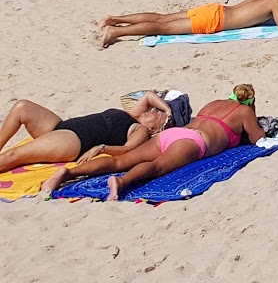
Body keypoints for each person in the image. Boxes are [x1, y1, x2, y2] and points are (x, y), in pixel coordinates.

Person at [40, 86, 264, 201]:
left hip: (174, 133)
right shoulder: (244, 111)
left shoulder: (214, 103)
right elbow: (258, 140)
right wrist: (253, 116)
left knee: (120, 161)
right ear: (249, 101)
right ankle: (122, 183)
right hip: (193, 141)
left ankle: (67, 174)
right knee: (157, 167)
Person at [0, 91, 172, 173]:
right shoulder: (133, 115)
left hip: (72, 141)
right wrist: (168, 110)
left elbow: (127, 150)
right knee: (22, 107)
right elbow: (149, 96)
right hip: (61, 126)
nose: (153, 110)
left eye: (157, 114)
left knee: (13, 155)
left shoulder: (140, 130)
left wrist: (102, 148)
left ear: (154, 129)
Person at [98, 0, 278, 47]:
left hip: (215, 9)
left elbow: (273, 10)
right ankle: (117, 31)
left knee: (163, 18)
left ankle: (114, 19)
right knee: (162, 28)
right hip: (214, 21)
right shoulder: (277, 3)